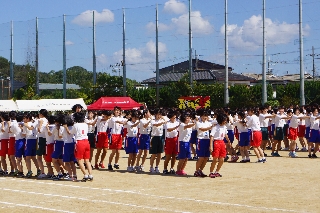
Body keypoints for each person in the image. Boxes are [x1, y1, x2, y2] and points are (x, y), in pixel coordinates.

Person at [68, 112, 93, 182]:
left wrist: (66, 128)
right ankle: (90, 174)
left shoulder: (76, 125)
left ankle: (85, 174)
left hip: (79, 142)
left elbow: (71, 132)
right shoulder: (85, 124)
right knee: (87, 160)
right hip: (86, 141)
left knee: (79, 160)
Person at [209, 113, 230, 178]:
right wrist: (211, 145)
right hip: (216, 142)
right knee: (215, 159)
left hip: (222, 142)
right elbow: (212, 136)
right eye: (224, 120)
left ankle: (217, 171)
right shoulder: (215, 127)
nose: (225, 121)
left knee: (222, 159)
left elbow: (225, 135)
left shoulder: (224, 127)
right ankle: (211, 172)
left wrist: (229, 141)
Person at [22, 113, 40, 178]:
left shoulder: (25, 124)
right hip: (35, 140)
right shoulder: (34, 123)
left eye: (24, 118)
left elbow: (24, 134)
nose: (23, 119)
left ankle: (29, 171)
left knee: (27, 157)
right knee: (33, 157)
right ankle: (38, 170)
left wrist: (21, 129)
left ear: (28, 119)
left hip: (29, 140)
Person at [194, 111, 212, 177]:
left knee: (206, 157)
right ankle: (196, 171)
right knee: (201, 157)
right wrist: (210, 127)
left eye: (206, 116)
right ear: (201, 116)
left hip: (207, 139)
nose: (205, 117)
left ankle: (200, 170)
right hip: (200, 140)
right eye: (204, 116)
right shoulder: (198, 122)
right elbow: (202, 129)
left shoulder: (208, 122)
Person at [149, 109, 166, 173]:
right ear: (155, 114)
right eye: (158, 114)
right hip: (154, 137)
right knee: (154, 154)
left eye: (160, 114)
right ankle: (151, 167)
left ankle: (157, 166)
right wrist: (162, 122)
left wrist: (163, 118)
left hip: (161, 137)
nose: (159, 116)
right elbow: (156, 125)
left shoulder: (162, 120)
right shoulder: (153, 121)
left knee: (159, 154)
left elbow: (166, 121)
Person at [61, 116, 77, 180]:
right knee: (72, 161)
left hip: (67, 144)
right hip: (73, 143)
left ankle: (70, 175)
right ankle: (75, 175)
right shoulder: (73, 127)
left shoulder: (64, 128)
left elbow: (62, 135)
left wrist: (65, 127)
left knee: (67, 162)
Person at [10, 113, 24, 177]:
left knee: (18, 159)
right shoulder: (25, 124)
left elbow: (10, 131)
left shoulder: (15, 125)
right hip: (25, 140)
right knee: (26, 158)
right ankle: (27, 171)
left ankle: (20, 171)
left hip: (18, 141)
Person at [36, 109, 48, 178]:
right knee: (45, 156)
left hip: (40, 139)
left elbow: (39, 130)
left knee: (39, 156)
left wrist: (39, 124)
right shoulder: (47, 120)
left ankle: (42, 172)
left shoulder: (40, 120)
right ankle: (49, 171)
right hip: (46, 139)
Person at [8, 111, 17, 175]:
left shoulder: (11, 123)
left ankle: (14, 169)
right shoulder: (18, 122)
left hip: (12, 138)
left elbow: (9, 131)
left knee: (12, 155)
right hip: (17, 138)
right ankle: (16, 169)